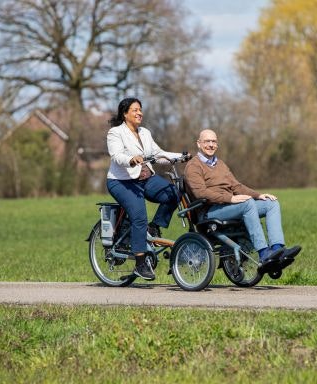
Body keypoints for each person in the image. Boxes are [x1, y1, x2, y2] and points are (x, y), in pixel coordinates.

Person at [183, 129, 301, 267]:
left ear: (217, 144)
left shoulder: (220, 164)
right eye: (207, 141)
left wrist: (259, 195)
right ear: (199, 144)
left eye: (214, 141)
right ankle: (264, 253)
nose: (211, 145)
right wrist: (230, 199)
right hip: (209, 211)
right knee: (247, 204)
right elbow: (201, 193)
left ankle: (277, 250)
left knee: (271, 203)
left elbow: (237, 187)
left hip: (227, 207)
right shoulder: (193, 166)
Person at [106, 97, 185, 281]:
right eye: (135, 110)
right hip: (122, 182)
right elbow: (116, 155)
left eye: (140, 109)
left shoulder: (145, 133)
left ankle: (155, 226)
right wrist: (131, 159)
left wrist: (180, 157)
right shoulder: (115, 133)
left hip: (146, 179)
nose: (139, 113)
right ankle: (140, 264)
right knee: (139, 215)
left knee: (175, 192)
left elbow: (158, 155)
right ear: (125, 114)